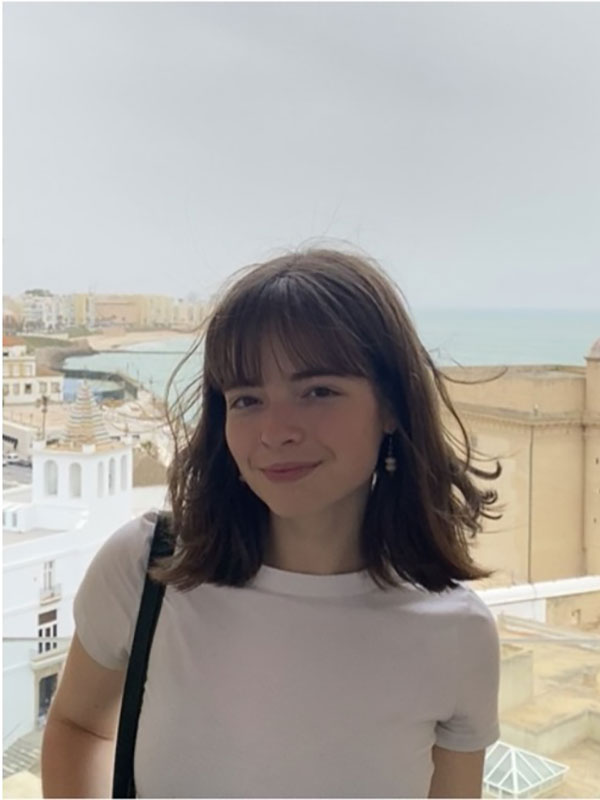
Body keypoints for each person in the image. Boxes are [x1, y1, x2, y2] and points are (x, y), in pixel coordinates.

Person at [42, 246, 503, 799]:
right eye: (246, 399)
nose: (276, 430)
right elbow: (79, 727)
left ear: (392, 407)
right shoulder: (149, 570)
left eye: (318, 391)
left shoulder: (458, 634)